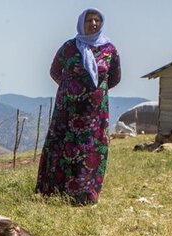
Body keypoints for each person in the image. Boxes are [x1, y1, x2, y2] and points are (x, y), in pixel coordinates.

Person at [35, 8, 121, 205]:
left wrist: (96, 92)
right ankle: (55, 190)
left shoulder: (109, 49)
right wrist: (70, 88)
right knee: (64, 145)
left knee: (90, 148)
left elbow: (114, 78)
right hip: (68, 109)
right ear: (81, 23)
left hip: (95, 113)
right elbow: (55, 71)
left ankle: (85, 195)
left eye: (97, 20)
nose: (93, 24)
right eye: (89, 20)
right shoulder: (69, 47)